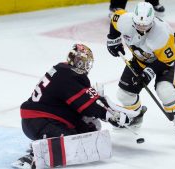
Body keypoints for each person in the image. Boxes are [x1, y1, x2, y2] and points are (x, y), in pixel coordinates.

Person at [12, 44, 141, 169]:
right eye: (82, 61)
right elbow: (88, 103)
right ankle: (32, 157)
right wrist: (110, 115)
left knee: (90, 128)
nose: (84, 65)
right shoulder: (68, 75)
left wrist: (108, 112)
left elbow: (86, 101)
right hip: (39, 121)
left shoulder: (62, 69)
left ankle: (44, 142)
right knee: (72, 144)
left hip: (42, 119)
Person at [106, 2, 175, 144]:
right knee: (124, 94)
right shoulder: (125, 20)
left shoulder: (162, 33)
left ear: (152, 21)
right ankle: (136, 116)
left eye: (145, 25)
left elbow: (166, 60)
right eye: (138, 24)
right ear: (133, 19)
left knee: (165, 91)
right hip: (141, 60)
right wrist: (112, 40)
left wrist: (149, 72)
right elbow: (114, 20)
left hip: (167, 63)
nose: (141, 28)